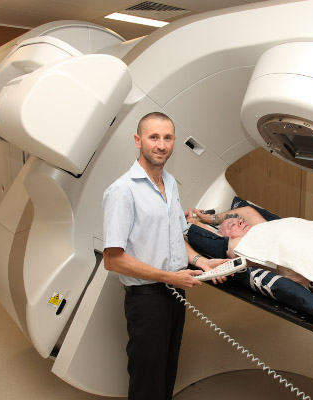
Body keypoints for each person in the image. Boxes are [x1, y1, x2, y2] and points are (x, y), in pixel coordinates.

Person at [102, 112, 226, 400]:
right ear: (138, 141)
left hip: (176, 293)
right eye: (153, 137)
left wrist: (201, 262)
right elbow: (113, 259)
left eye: (167, 138)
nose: (161, 145)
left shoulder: (169, 183)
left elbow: (176, 237)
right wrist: (170, 277)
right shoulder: (123, 191)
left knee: (168, 371)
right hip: (147, 300)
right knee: (147, 381)